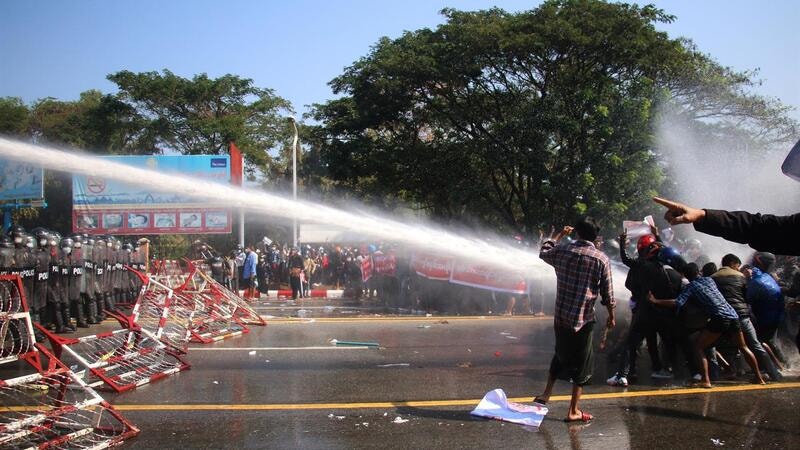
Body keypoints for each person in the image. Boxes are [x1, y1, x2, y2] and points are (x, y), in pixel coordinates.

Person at [533, 217, 615, 423]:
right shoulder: (601, 258)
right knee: (583, 363)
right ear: (595, 237)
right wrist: (611, 316)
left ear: (576, 233)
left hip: (561, 316)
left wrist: (559, 235)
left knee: (560, 354)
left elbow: (544, 251)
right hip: (583, 319)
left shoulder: (562, 251)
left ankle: (546, 395)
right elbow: (608, 294)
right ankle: (573, 411)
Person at [647, 262, 766, 388]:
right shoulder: (709, 280)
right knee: (743, 347)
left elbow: (678, 303)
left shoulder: (691, 287)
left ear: (685, 275)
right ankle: (759, 378)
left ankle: (706, 380)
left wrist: (656, 301)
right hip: (733, 315)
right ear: (698, 271)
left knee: (698, 347)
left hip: (719, 318)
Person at [711, 253, 782, 381]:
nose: (739, 268)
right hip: (743, 315)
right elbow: (746, 296)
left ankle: (728, 371)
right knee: (755, 345)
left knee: (724, 345)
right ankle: (772, 374)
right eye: (738, 266)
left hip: (725, 315)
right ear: (733, 264)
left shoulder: (713, 278)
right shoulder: (741, 277)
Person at [745, 252, 788, 369]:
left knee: (760, 342)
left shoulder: (757, 280)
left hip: (766, 317)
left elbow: (748, 298)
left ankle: (773, 367)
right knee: (769, 341)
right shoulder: (767, 276)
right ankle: (783, 364)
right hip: (776, 315)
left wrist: (747, 280)